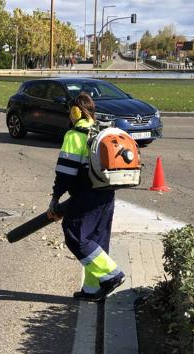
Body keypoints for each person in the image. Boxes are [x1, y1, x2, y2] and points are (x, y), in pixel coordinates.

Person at [47, 93, 126, 301]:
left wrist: (55, 198)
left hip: (85, 195)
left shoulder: (75, 135)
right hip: (107, 194)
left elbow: (65, 172)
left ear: (75, 112)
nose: (69, 116)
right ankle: (92, 289)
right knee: (96, 241)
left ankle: (112, 274)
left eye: (69, 111)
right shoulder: (102, 130)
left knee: (76, 236)